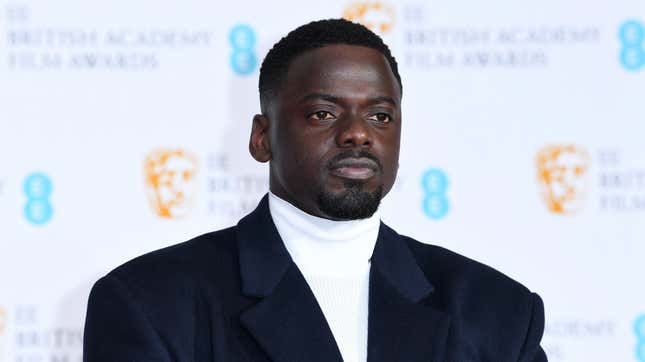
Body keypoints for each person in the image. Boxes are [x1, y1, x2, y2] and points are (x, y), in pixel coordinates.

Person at [83, 19, 547, 361]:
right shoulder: (151, 303)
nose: (358, 134)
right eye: (324, 113)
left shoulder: (498, 311)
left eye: (380, 117)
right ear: (262, 138)